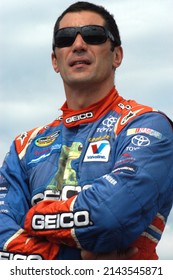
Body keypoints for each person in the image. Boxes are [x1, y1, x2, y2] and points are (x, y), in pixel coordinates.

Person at [0, 1, 173, 261]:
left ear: (117, 55)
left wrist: (31, 217)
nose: (78, 45)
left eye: (93, 35)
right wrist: (71, 261)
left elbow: (110, 216)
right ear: (55, 61)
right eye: (65, 38)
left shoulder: (146, 125)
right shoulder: (25, 147)